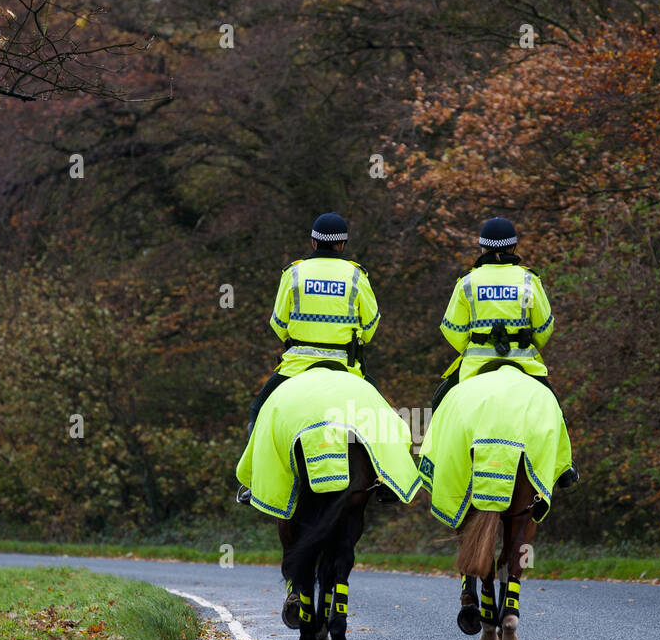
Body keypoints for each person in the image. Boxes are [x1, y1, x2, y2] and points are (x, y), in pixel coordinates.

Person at [238, 212, 395, 504]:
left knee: (258, 412)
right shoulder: (357, 275)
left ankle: (255, 483)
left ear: (312, 241)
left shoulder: (293, 274)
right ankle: (384, 479)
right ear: (343, 245)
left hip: (296, 367)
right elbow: (371, 326)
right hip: (346, 369)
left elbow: (278, 323)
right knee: (383, 417)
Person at [432, 216, 578, 488]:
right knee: (555, 409)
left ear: (482, 249)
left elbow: (450, 328)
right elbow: (545, 327)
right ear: (513, 248)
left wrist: (472, 346)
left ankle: (435, 463)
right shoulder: (529, 280)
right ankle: (564, 470)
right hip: (524, 365)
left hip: (475, 366)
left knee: (439, 404)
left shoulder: (467, 282)